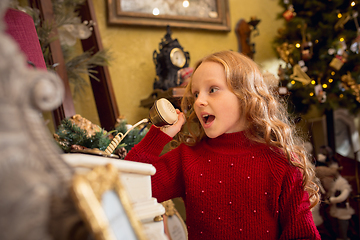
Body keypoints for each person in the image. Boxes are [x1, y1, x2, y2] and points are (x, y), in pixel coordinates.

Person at [125, 50, 320, 239]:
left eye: (212, 90)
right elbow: (128, 190)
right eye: (195, 94)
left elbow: (302, 235)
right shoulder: (187, 158)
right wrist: (158, 136)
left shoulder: (282, 162)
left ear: (246, 95)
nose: (199, 101)